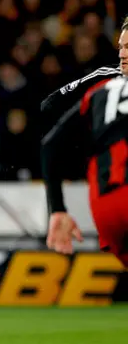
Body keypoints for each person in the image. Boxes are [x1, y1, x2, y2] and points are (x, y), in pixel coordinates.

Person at [41, 17, 128, 261]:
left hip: (104, 204)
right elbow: (49, 106)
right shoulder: (104, 78)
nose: (122, 54)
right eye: (120, 47)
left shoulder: (101, 90)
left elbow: (49, 127)